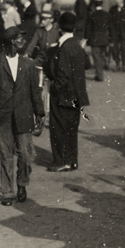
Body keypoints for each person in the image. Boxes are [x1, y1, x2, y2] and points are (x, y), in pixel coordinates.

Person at [0, 27, 44, 206]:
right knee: (6, 154)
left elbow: (35, 92)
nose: (23, 42)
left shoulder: (28, 64)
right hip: (3, 118)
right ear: (9, 41)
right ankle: (7, 192)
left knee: (25, 154)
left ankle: (22, 183)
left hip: (24, 116)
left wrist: (40, 113)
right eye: (19, 39)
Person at [45, 12, 89, 172]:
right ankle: (72, 161)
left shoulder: (63, 47)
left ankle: (60, 161)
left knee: (58, 129)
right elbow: (88, 64)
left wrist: (53, 87)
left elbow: (63, 75)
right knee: (71, 129)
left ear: (59, 28)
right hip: (77, 96)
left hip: (63, 96)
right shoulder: (76, 44)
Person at [86, 0, 110, 81]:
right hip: (104, 39)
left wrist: (86, 39)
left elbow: (88, 29)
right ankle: (105, 65)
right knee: (102, 56)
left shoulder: (92, 15)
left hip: (95, 40)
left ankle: (100, 76)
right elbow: (110, 28)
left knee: (97, 58)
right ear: (102, 4)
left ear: (94, 4)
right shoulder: (106, 14)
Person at [108, 0, 125, 72]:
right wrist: (111, 32)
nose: (116, 0)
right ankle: (117, 63)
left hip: (124, 32)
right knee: (115, 49)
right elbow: (110, 21)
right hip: (115, 32)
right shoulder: (112, 9)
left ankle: (124, 63)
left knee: (124, 48)